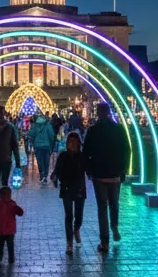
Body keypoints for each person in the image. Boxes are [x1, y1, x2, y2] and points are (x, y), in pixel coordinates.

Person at [82, 103, 129, 253]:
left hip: (99, 174)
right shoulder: (118, 129)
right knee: (114, 203)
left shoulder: (93, 131)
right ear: (109, 113)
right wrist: (123, 169)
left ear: (98, 113)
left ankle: (105, 242)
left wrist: (88, 170)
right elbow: (126, 149)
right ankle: (114, 226)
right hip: (115, 173)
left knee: (102, 208)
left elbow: (86, 151)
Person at [51, 131, 87, 254]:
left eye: (74, 141)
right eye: (69, 142)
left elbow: (87, 169)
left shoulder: (82, 156)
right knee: (68, 216)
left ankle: (76, 228)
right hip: (66, 188)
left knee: (79, 214)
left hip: (79, 188)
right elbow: (57, 170)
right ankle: (69, 243)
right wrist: (55, 177)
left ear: (78, 143)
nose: (71, 144)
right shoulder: (63, 156)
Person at [0, 185, 23, 264]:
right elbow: (19, 211)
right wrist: (20, 211)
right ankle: (11, 258)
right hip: (10, 230)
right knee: (10, 245)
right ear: (10, 195)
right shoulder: (12, 204)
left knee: (0, 244)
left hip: (0, 229)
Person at [31, 112, 56, 182]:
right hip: (46, 146)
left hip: (38, 146)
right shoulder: (48, 125)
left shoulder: (35, 125)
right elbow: (51, 136)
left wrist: (34, 143)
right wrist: (51, 145)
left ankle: (41, 173)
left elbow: (31, 135)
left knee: (39, 161)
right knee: (46, 161)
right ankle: (45, 175)